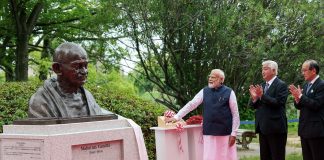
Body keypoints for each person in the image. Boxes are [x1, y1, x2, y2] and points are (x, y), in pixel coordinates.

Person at [165, 69, 240, 160]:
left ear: (221, 79)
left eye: (213, 77)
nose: (210, 79)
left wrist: (234, 133)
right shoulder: (204, 91)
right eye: (209, 76)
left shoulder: (229, 92)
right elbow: (192, 104)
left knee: (225, 157)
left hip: (225, 133)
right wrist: (177, 116)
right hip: (209, 132)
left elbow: (235, 114)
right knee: (210, 157)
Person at [28, 42, 111, 118]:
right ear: (57, 68)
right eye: (77, 66)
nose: (84, 71)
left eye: (85, 65)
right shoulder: (41, 101)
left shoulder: (88, 97)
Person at [249, 60, 288, 160]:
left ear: (274, 71)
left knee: (276, 156)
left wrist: (262, 95)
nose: (263, 71)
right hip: (263, 127)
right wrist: (254, 98)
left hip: (276, 129)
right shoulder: (261, 86)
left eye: (265, 69)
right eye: (262, 69)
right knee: (265, 157)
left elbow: (278, 103)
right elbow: (253, 106)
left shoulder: (281, 85)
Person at [289, 59, 324, 160]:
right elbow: (300, 106)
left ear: (313, 70)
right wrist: (297, 99)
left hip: (316, 130)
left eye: (304, 70)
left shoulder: (321, 85)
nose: (302, 73)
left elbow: (316, 105)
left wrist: (300, 95)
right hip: (305, 129)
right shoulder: (306, 85)